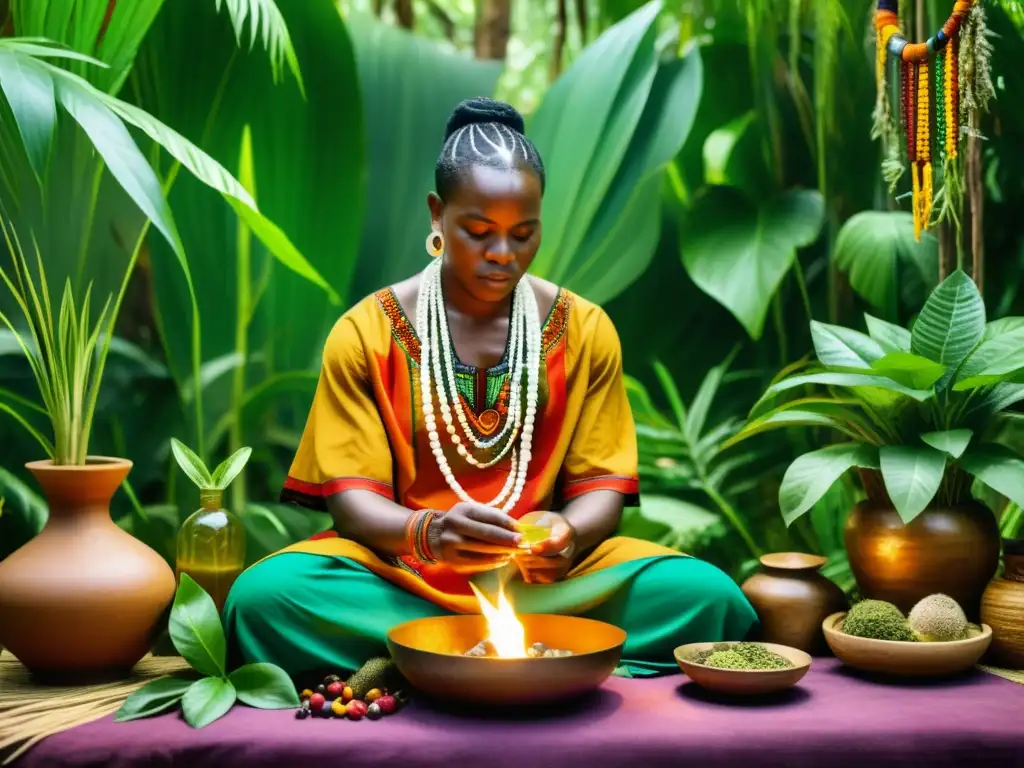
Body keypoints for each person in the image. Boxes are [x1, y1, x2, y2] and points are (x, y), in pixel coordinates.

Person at [223, 97, 757, 678]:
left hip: (545, 587)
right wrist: (427, 532)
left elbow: (600, 485)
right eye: (479, 232)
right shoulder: (367, 331)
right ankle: (546, 653)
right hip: (402, 578)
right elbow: (352, 505)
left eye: (523, 234)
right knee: (265, 599)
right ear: (436, 215)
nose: (503, 255)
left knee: (708, 595)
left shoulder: (583, 329)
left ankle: (428, 656)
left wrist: (569, 533)